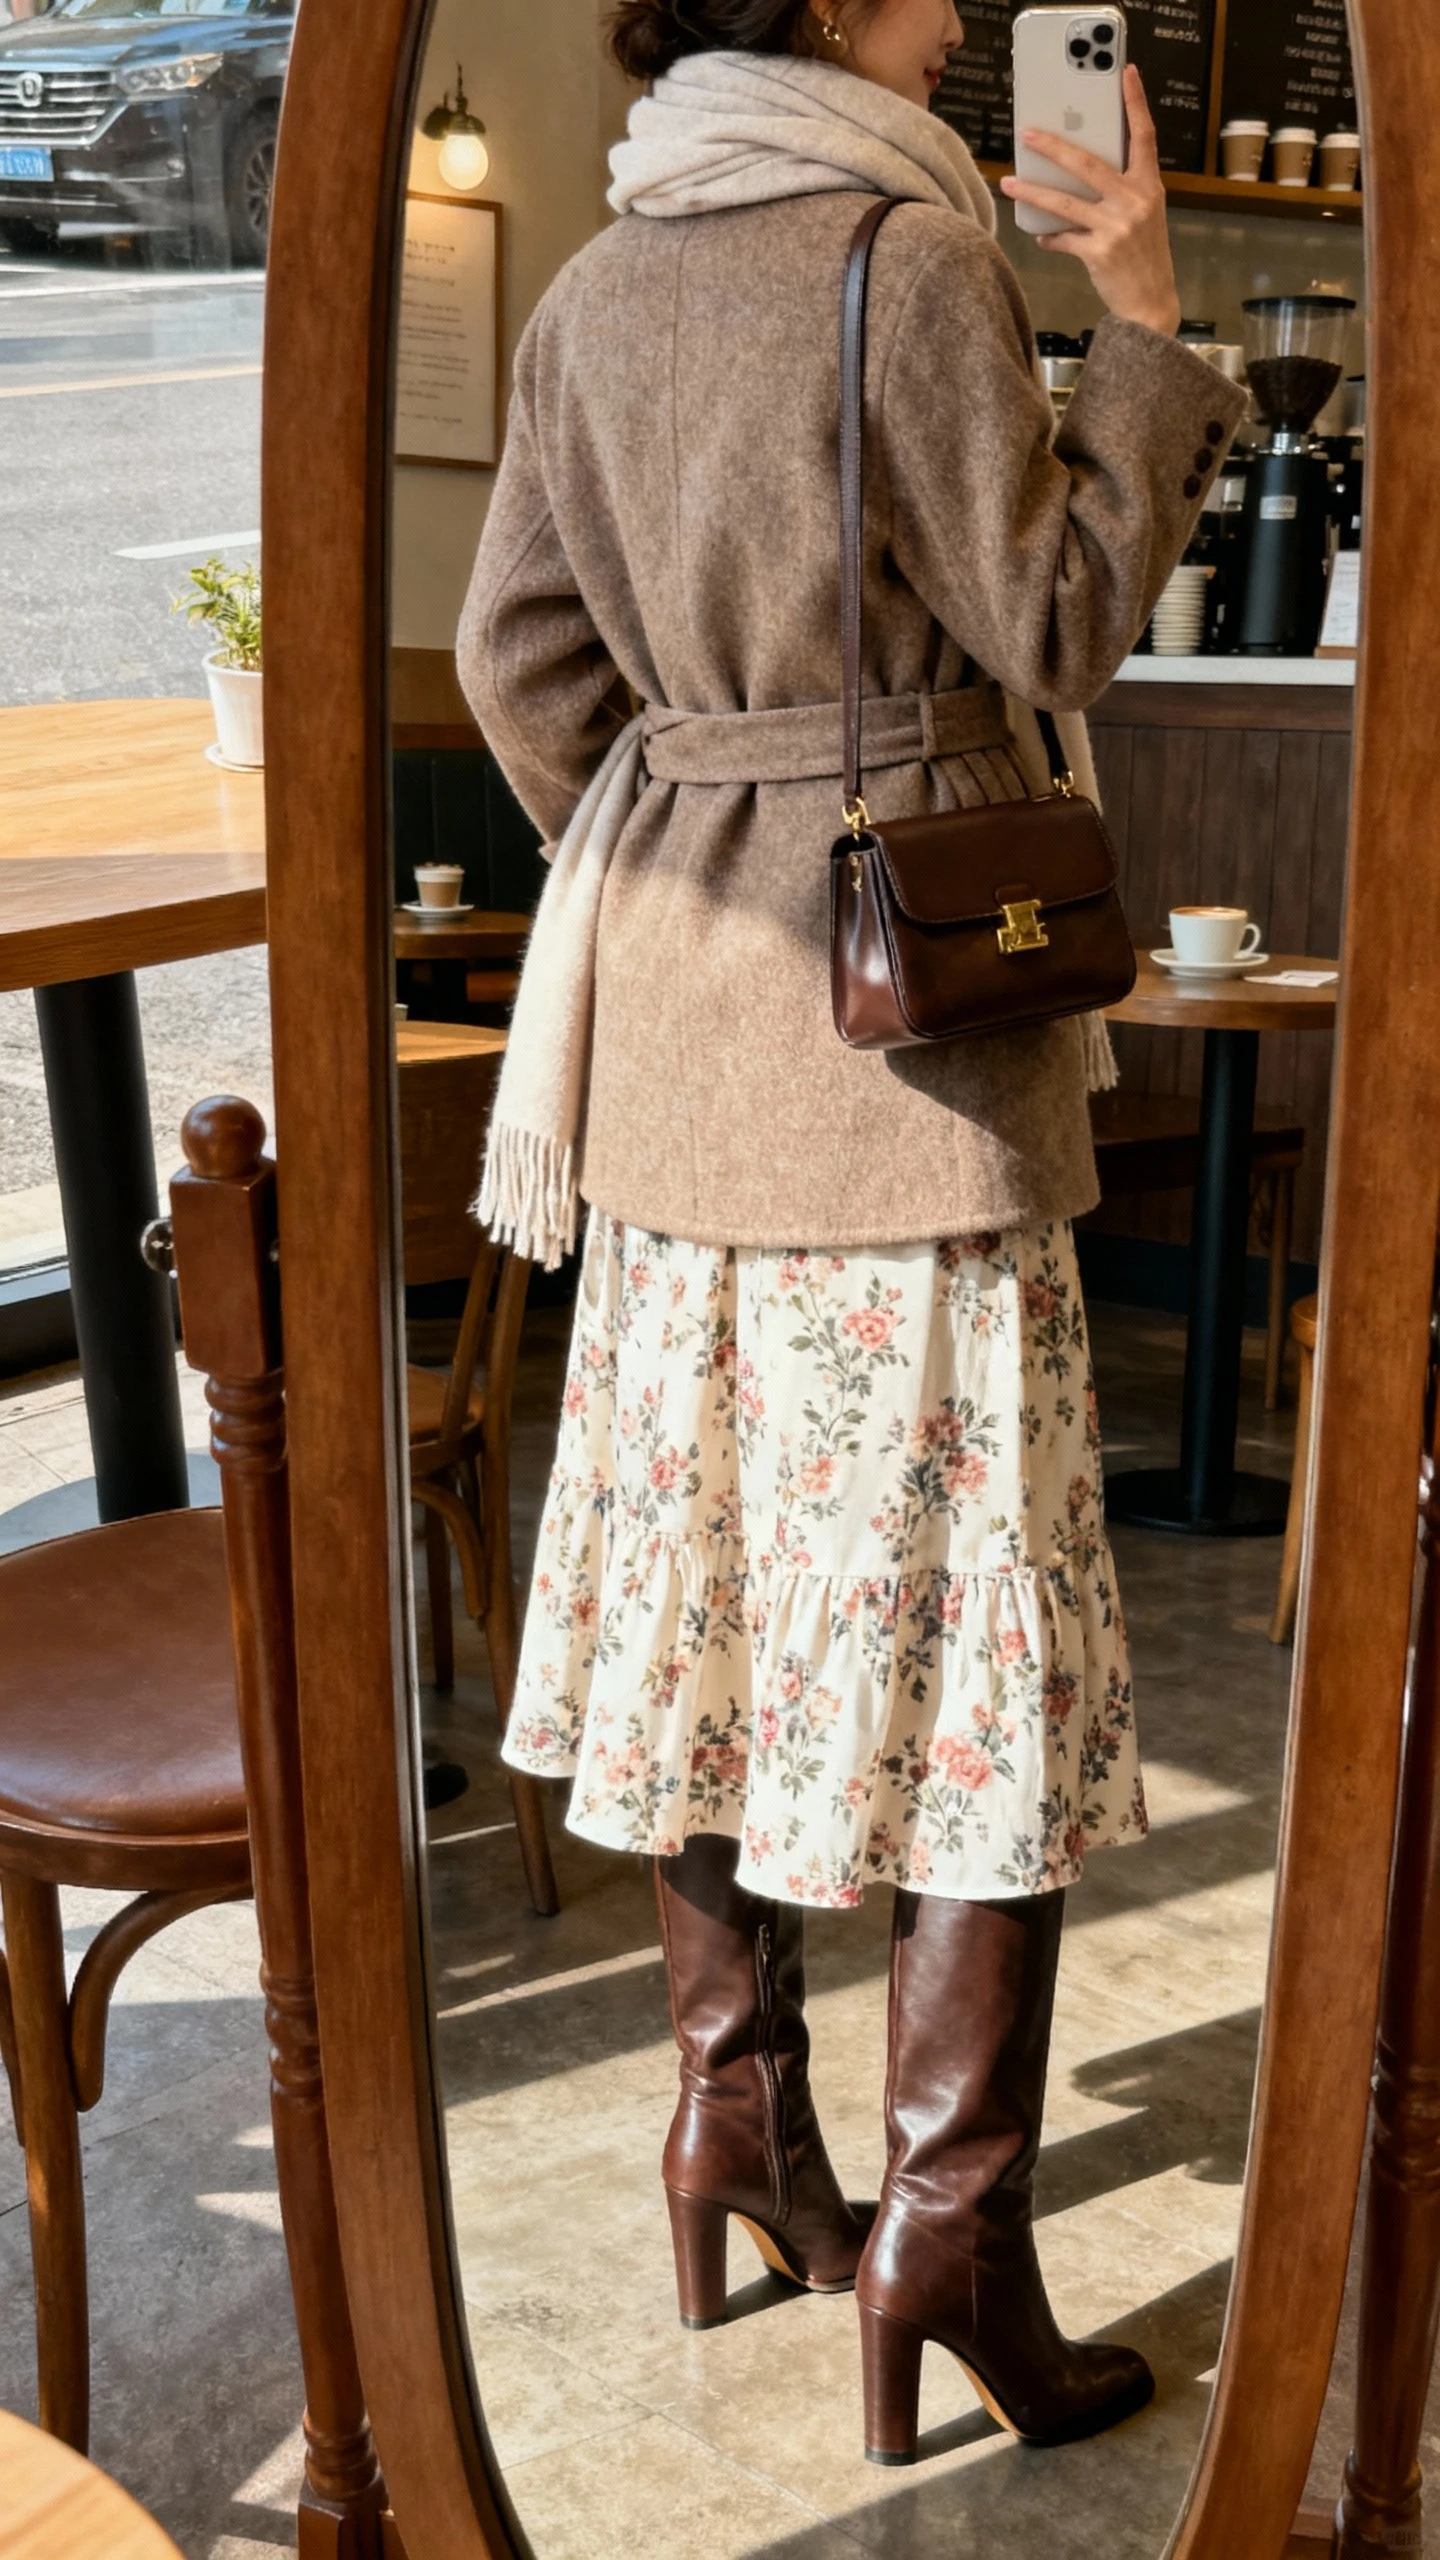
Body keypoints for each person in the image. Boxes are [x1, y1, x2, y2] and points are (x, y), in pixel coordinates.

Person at [458, 0, 1247, 2466]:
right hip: (904, 1055)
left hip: (680, 1051)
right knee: (971, 1649)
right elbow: (1058, 623)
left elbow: (517, 663)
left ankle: (739, 2121)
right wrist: (1141, 334)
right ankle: (951, 2225)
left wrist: (704, 816)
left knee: (710, 1596)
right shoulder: (898, 249)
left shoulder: (599, 283)